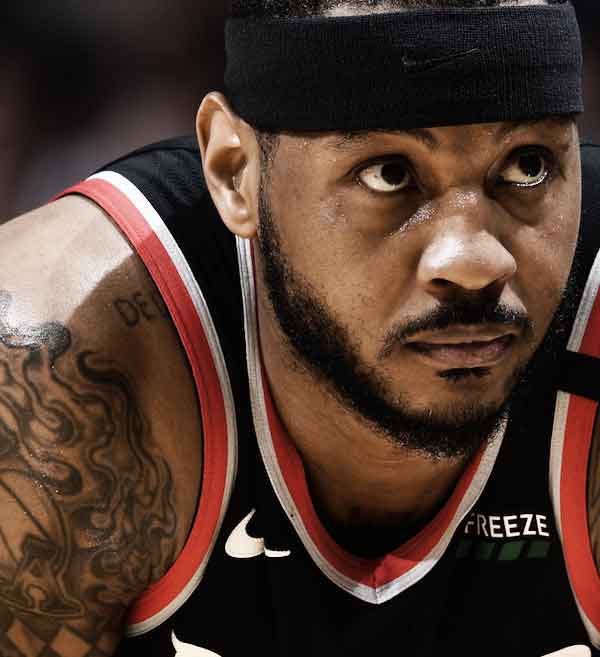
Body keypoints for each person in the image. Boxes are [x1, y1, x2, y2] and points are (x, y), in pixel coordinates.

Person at [0, 0, 597, 655]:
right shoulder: (52, 361)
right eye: (389, 174)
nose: (475, 262)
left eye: (528, 166)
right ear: (235, 172)